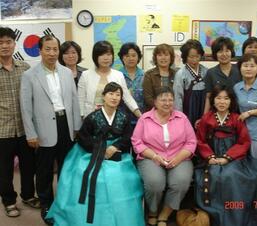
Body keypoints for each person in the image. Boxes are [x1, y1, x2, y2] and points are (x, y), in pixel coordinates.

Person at [47, 82, 145, 226]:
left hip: (116, 153)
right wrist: (98, 149)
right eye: (111, 94)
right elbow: (82, 137)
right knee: (88, 175)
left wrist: (116, 146)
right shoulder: (92, 117)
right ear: (103, 96)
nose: (114, 97)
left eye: (118, 95)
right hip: (91, 152)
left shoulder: (123, 117)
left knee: (120, 177)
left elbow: (127, 137)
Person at [20, 35, 82, 225]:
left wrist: (77, 127)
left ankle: (64, 202)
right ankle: (47, 203)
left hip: (66, 125)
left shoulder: (66, 73)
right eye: (48, 49)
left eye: (55, 49)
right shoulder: (29, 75)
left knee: (66, 167)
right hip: (44, 127)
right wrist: (31, 133)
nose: (52, 53)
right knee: (45, 169)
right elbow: (26, 107)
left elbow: (73, 101)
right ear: (40, 51)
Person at [195, 85, 257, 226]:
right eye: (218, 98)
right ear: (213, 101)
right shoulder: (206, 119)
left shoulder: (237, 119)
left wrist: (227, 157)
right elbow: (200, 141)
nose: (222, 102)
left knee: (235, 176)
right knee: (216, 176)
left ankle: (239, 217)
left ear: (231, 101)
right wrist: (210, 157)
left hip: (235, 159)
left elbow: (244, 142)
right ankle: (221, 216)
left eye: (226, 98)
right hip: (212, 159)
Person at [132, 86, 196, 226]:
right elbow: (137, 142)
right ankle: (153, 211)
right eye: (163, 100)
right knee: (155, 183)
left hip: (179, 156)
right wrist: (155, 156)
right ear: (155, 102)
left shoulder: (182, 117)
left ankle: (164, 214)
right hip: (151, 157)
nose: (167, 103)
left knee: (181, 182)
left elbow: (191, 142)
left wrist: (178, 158)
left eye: (170, 100)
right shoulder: (145, 118)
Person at [0, 27, 39, 218]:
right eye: (0, 42)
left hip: (25, 128)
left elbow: (34, 98)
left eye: (8, 42)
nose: (5, 46)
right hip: (2, 130)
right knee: (4, 170)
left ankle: (28, 195)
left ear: (14, 44)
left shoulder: (25, 68)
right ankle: (8, 201)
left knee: (28, 166)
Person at [78, 40, 141, 118]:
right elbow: (80, 101)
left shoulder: (118, 75)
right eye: (102, 55)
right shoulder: (86, 75)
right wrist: (82, 119)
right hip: (91, 119)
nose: (106, 58)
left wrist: (140, 116)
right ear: (95, 56)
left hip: (113, 118)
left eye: (108, 54)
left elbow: (127, 97)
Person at [234, 53, 257, 184]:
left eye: (252, 65)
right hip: (242, 134)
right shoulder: (237, 87)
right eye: (245, 65)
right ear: (240, 68)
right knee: (246, 169)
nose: (248, 68)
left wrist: (250, 113)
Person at [173, 39, 207, 127]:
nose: (194, 60)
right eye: (191, 57)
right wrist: (180, 117)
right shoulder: (180, 74)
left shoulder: (206, 71)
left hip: (204, 109)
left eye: (197, 56)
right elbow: (178, 97)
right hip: (188, 111)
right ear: (185, 57)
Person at [204, 37, 241, 113]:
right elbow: (209, 97)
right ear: (215, 54)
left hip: (239, 114)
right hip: (218, 115)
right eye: (220, 51)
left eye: (227, 51)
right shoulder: (211, 72)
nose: (224, 54)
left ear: (231, 52)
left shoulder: (240, 69)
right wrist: (205, 117)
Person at [143, 43, 176, 111]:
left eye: (166, 55)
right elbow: (148, 98)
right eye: (160, 55)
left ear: (171, 57)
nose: (163, 58)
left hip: (173, 111)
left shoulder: (176, 74)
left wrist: (170, 108)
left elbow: (178, 96)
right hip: (154, 112)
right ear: (155, 58)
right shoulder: (149, 75)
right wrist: (162, 108)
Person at [118, 42, 144, 126]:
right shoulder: (117, 75)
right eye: (127, 56)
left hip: (141, 117)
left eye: (133, 55)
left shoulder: (145, 75)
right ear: (122, 58)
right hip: (121, 118)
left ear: (138, 57)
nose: (131, 58)